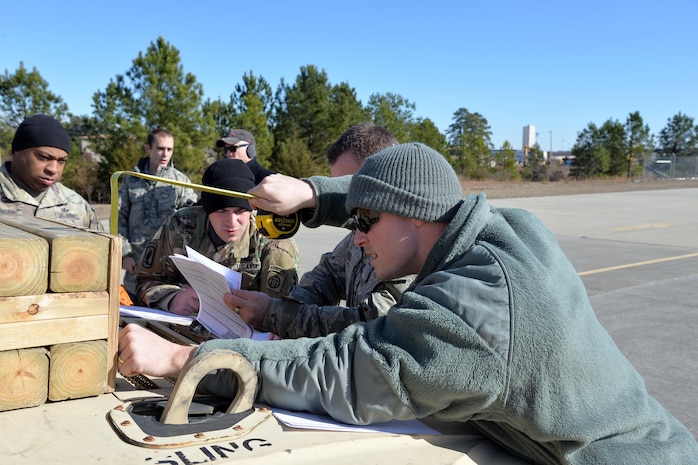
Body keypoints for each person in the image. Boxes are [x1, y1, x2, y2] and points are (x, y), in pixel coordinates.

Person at [119, 143, 698, 464]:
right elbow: (409, 196)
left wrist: (185, 362)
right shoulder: (509, 229)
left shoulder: (472, 309)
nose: (358, 235)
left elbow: (343, 370)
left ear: (416, 217)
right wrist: (315, 195)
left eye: (366, 222)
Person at [227, 122, 413, 338]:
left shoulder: (411, 253)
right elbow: (327, 276)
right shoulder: (358, 236)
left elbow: (370, 327)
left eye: (348, 188)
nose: (348, 206)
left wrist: (277, 315)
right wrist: (285, 312)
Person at [134, 158, 299, 316]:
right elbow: (145, 280)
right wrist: (171, 298)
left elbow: (287, 313)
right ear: (207, 209)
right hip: (185, 330)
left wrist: (264, 314)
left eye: (240, 211)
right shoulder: (181, 226)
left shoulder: (273, 240)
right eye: (222, 211)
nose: (232, 222)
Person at [118, 128, 198, 300]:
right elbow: (119, 216)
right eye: (160, 148)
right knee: (130, 316)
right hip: (136, 264)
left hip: (167, 267)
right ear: (148, 148)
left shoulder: (180, 181)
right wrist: (124, 253)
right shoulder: (131, 178)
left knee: (162, 317)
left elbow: (192, 220)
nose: (165, 154)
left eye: (169, 149)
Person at [0, 114, 102, 230]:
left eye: (61, 161)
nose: (53, 169)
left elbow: (101, 246)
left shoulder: (76, 205)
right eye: (44, 157)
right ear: (16, 152)